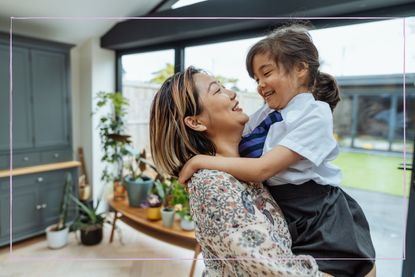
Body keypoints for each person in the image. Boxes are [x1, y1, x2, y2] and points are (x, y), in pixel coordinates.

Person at [178, 24, 376, 277]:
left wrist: (198, 161)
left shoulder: (315, 113)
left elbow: (262, 169)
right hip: (289, 209)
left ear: (301, 68)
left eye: (266, 73)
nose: (260, 85)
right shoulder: (267, 113)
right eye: (256, 79)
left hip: (315, 211)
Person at [149, 66, 331, 276]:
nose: (232, 93)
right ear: (195, 122)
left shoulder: (244, 167)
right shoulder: (214, 185)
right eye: (217, 90)